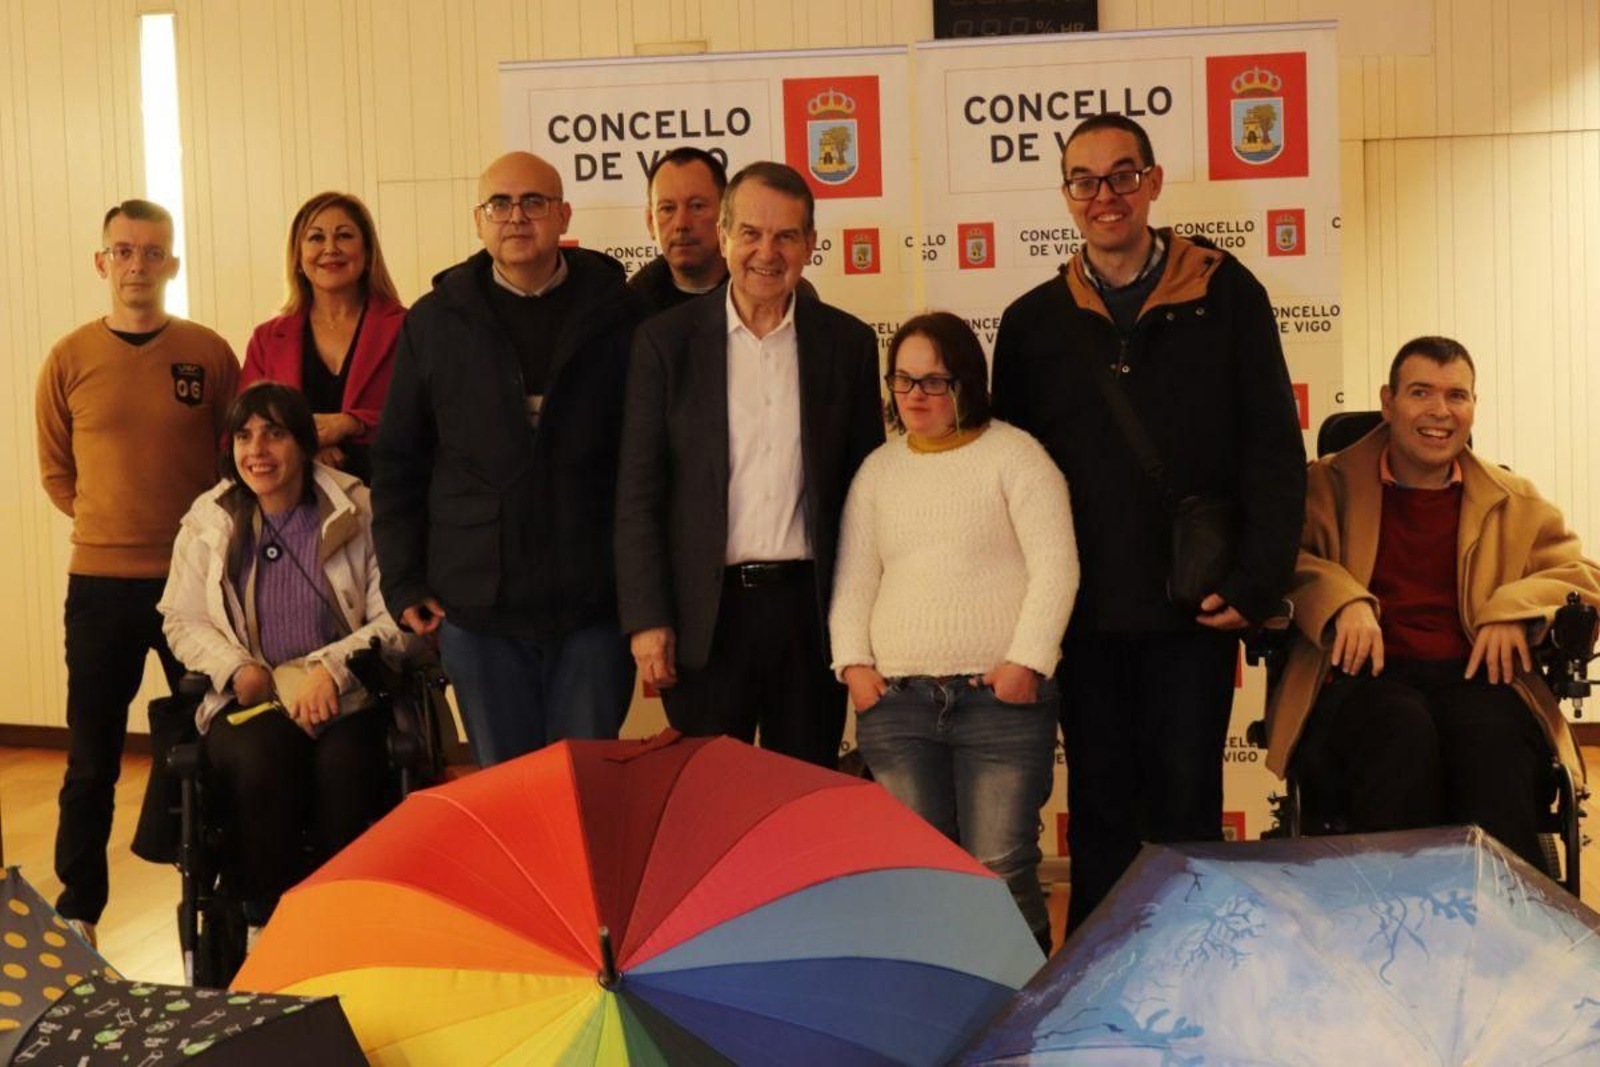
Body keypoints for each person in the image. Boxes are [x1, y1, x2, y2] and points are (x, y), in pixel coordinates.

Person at [992, 114, 1306, 933]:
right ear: (1066, 196)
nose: (1107, 196)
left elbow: (1275, 450)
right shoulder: (1031, 323)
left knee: (1186, 809)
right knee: (1096, 812)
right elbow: (1009, 480)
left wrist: (1257, 581)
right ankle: (1095, 997)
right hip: (1083, 615)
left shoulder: (1229, 294)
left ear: (1154, 182)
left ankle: (1194, 992)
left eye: (1123, 175)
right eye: (1087, 181)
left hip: (1192, 611)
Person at [1264, 337, 1600, 871]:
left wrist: (1515, 606)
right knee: (1400, 730)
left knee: (1491, 739)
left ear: (1473, 407)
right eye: (1421, 392)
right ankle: (1396, 922)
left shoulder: (1514, 500)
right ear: (1388, 401)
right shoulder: (1323, 487)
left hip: (1474, 675)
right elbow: (1277, 560)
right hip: (1360, 678)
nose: (1440, 412)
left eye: (1456, 396)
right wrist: (1341, 597)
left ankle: (1506, 924)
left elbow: (1582, 579)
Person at [372, 152, 638, 766]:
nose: (516, 217)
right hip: (478, 607)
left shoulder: (618, 313)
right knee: (507, 787)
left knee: (587, 781)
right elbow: (399, 461)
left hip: (593, 602)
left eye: (534, 202)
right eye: (500, 204)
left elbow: (646, 465)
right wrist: (404, 578)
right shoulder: (435, 321)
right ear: (478, 220)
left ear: (564, 214)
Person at [617, 161, 884, 768]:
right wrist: (648, 619)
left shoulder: (847, 344)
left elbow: (864, 498)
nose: (768, 252)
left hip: (809, 619)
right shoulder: (664, 344)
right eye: (752, 234)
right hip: (705, 625)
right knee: (708, 809)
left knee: (803, 806)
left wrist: (864, 628)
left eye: (787, 236)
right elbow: (638, 493)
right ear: (725, 237)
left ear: (811, 246)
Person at [830, 312, 1078, 952]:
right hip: (897, 707)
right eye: (903, 380)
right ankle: (942, 1031)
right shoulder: (877, 471)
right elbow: (854, 578)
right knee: (924, 881)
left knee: (1002, 871)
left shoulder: (1017, 456)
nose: (915, 395)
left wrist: (1026, 663)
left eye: (934, 381)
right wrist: (854, 667)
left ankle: (1024, 1028)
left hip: (998, 704)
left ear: (967, 382)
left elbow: (1057, 567)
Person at [35, 198, 239, 945]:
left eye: (153, 252)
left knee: (216, 743)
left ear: (172, 264)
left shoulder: (209, 352)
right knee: (91, 758)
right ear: (102, 262)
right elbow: (58, 473)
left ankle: (223, 892)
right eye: (124, 251)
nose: (137, 264)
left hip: (197, 588)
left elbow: (239, 459)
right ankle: (79, 909)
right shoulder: (67, 358)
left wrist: (193, 545)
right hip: (98, 587)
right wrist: (106, 528)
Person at [160, 383, 406, 921]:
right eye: (245, 436)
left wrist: (331, 671)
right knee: (261, 759)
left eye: (274, 434)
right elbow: (182, 618)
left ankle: (338, 920)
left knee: (346, 769)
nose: (258, 451)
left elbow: (394, 618)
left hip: (348, 698)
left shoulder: (357, 509)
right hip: (253, 700)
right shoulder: (210, 519)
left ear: (303, 443)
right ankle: (265, 919)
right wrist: (236, 667)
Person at [241, 191, 405, 482]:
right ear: (297, 257)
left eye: (344, 236)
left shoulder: (408, 328)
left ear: (367, 253)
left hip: (390, 502)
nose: (331, 248)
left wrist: (353, 423)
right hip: (295, 506)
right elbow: (244, 429)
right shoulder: (266, 339)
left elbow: (431, 417)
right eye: (316, 238)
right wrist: (303, 448)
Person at [629, 147, 818, 318]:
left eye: (697, 206)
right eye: (667, 209)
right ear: (650, 222)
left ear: (725, 216)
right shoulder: (630, 304)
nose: (681, 224)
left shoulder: (788, 292)